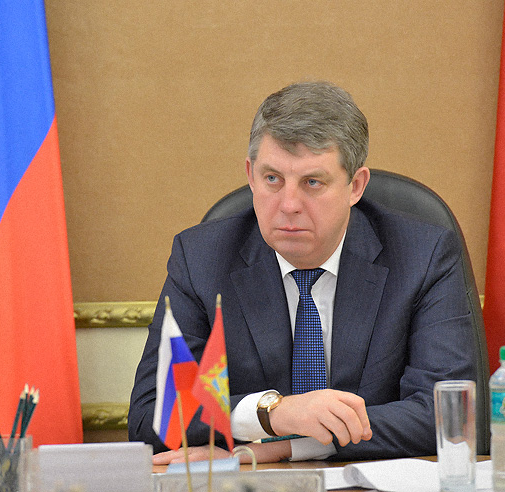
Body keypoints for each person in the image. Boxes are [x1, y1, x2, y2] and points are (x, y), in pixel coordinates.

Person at [128, 81, 475, 463]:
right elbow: (151, 415)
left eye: (312, 182)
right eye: (272, 179)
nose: (289, 204)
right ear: (250, 175)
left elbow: (446, 413)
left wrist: (284, 448)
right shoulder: (202, 259)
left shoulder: (422, 256)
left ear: (355, 186)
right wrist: (273, 413)